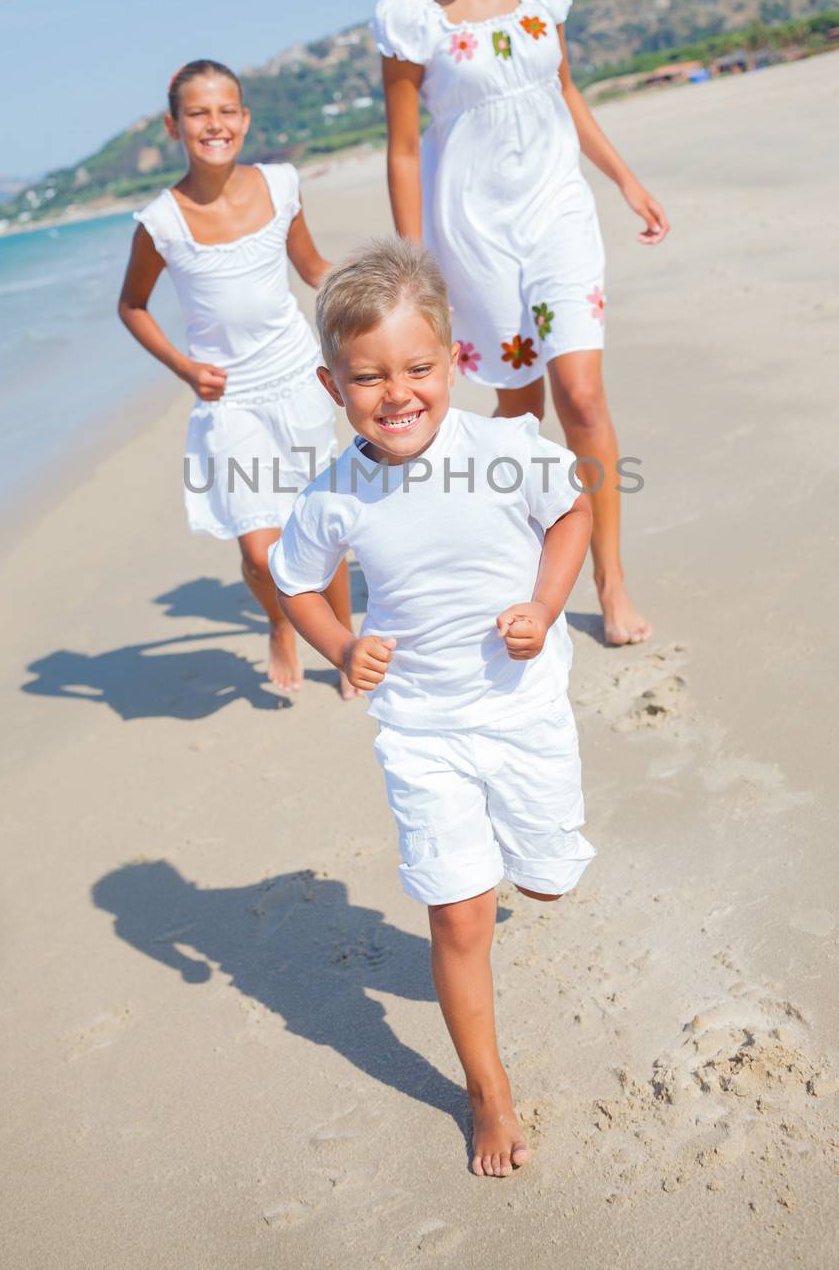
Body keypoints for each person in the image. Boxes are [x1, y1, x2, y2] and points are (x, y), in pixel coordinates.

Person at [269, 238, 596, 1177]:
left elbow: (572, 511)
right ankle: (487, 1093)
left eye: (416, 368)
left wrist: (541, 604)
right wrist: (340, 645)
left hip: (522, 709)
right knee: (457, 916)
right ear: (335, 390)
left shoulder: (501, 449)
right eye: (367, 378)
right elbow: (293, 582)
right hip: (421, 729)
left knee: (541, 884)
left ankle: (513, 864)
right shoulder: (334, 494)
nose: (395, 393)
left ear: (451, 363)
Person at [372, 0, 670, 647]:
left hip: (556, 212)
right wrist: (410, 265)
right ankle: (530, 570)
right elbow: (403, 149)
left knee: (580, 395)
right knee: (516, 415)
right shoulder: (411, 21)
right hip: (470, 232)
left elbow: (564, 90)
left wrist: (623, 178)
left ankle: (608, 579)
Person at [117, 59, 354, 697]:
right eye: (198, 113)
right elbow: (131, 307)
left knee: (321, 521)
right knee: (258, 552)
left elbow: (312, 268)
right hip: (231, 399)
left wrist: (378, 296)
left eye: (226, 110)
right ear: (174, 126)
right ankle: (280, 622)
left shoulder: (281, 185)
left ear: (245, 119)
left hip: (298, 376)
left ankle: (343, 639)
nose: (214, 124)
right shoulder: (160, 222)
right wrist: (186, 367)